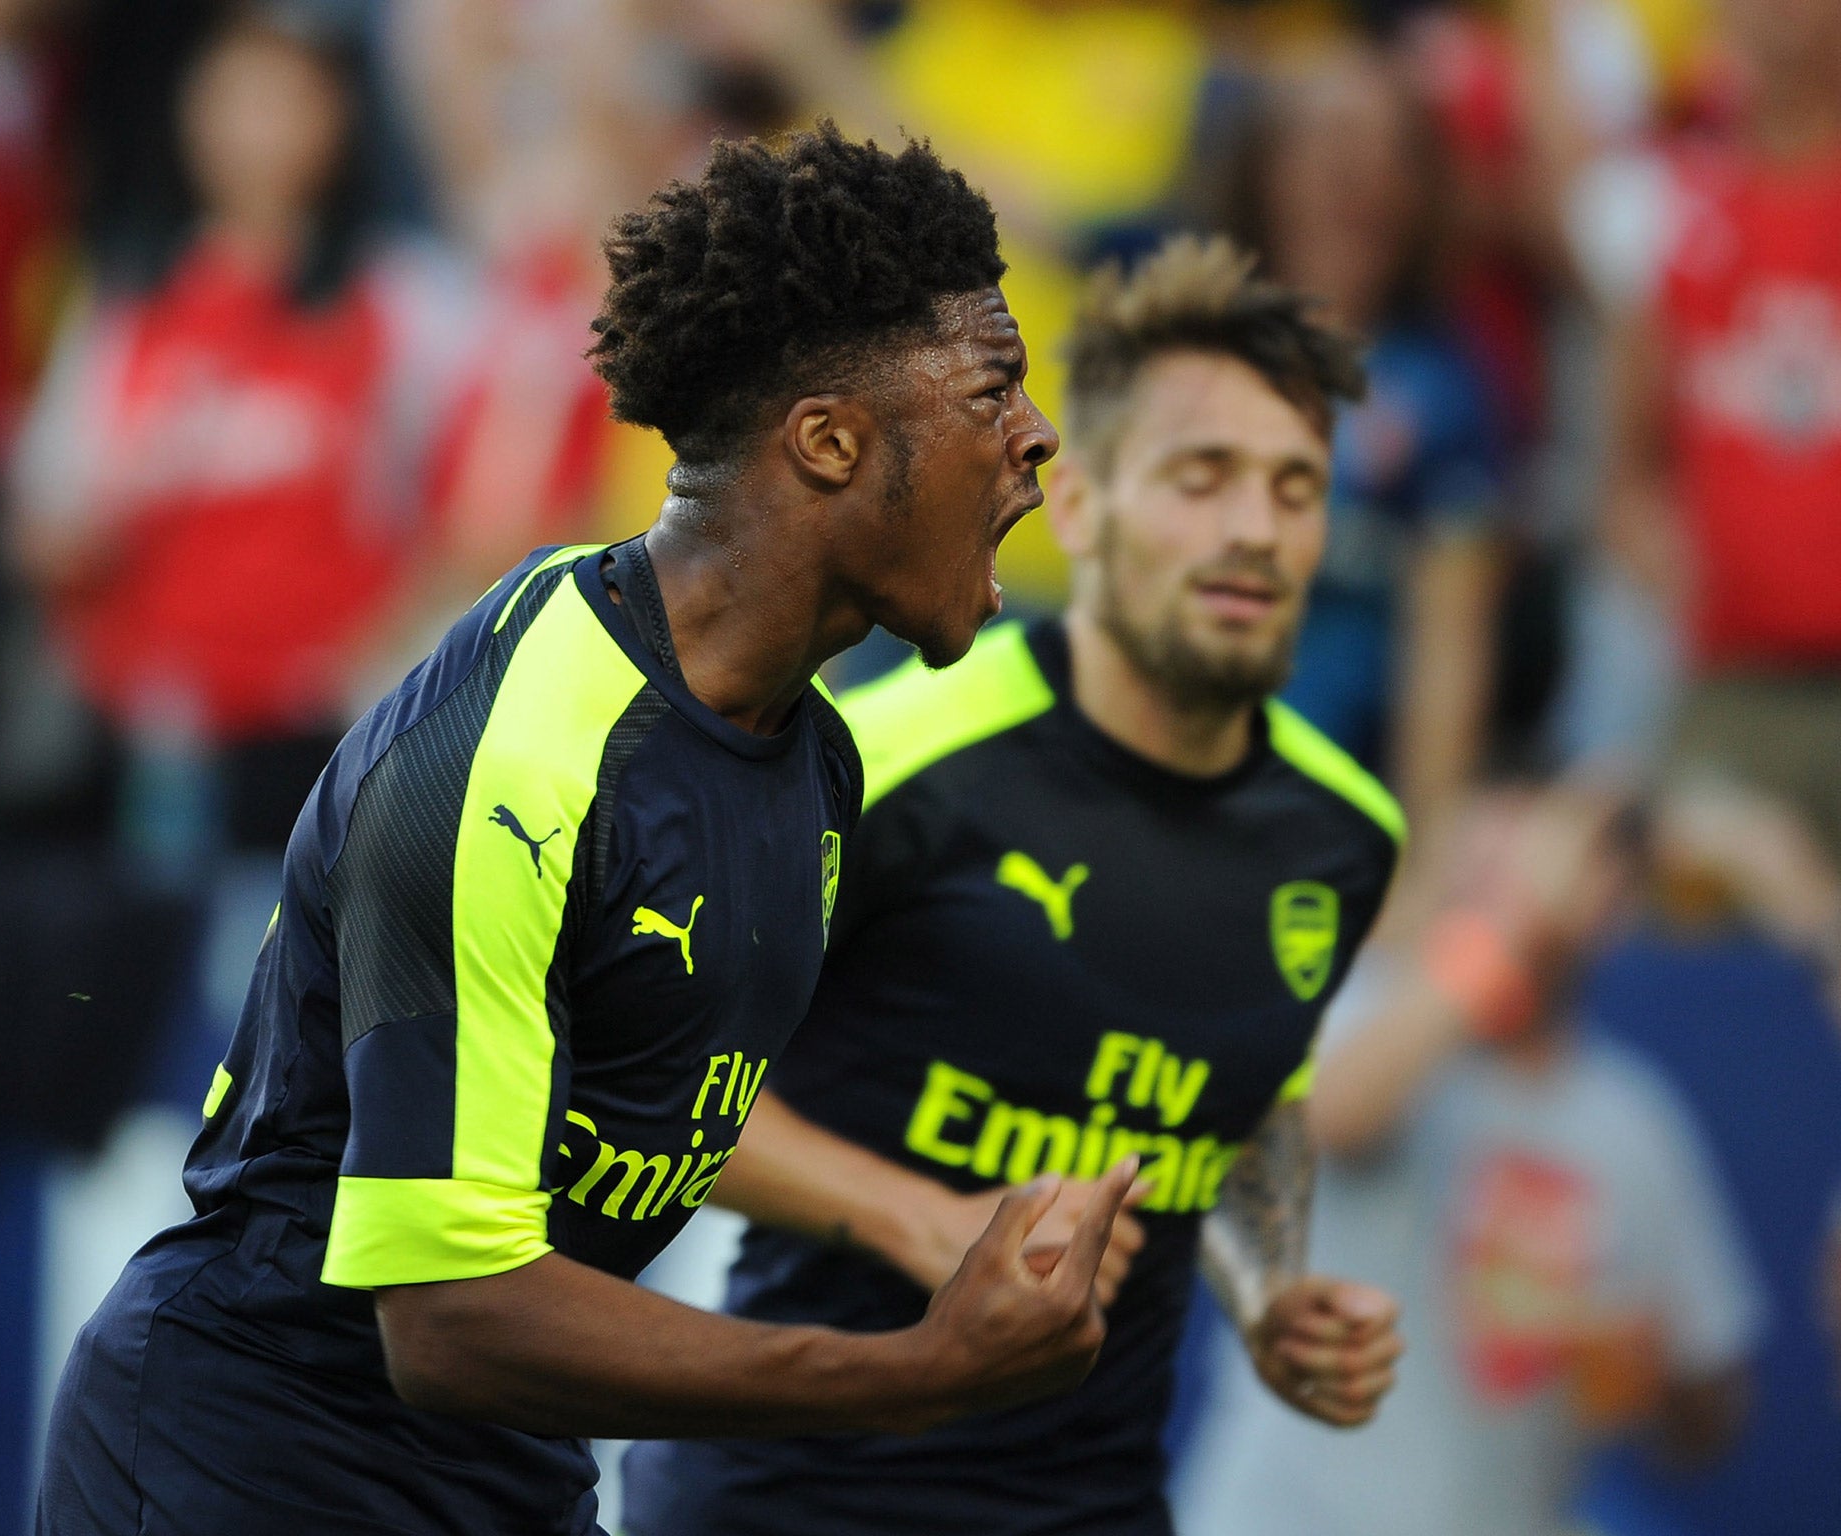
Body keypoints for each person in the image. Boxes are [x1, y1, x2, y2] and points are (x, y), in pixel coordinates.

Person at [34, 122, 1145, 1536]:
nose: (1038, 439)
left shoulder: (810, 758)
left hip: (512, 1474)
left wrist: (909, 1215)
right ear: (827, 441)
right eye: (995, 389)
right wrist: (912, 1376)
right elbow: (448, 1316)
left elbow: (615, 1090)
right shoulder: (514, 758)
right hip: (247, 1461)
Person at [622, 236, 1406, 1536]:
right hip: (788, 1495)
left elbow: (1251, 1097)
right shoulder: (891, 756)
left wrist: (1268, 1290)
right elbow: (640, 1071)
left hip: (1094, 1505)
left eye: (1294, 487)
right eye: (1201, 478)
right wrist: (918, 1218)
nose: (1253, 531)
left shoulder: (1346, 831)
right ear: (1081, 503)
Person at [1176, 786, 1765, 1536]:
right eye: (1484, 880)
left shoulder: (1635, 1124)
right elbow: (1337, 1115)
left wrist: (1661, 1383)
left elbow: (1713, 1410)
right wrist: (1518, 926)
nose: (1515, 903)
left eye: (1533, 877)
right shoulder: (1354, 1015)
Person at [6, 3, 472, 856]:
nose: (257, 131)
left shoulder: (403, 300)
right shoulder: (126, 309)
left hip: (334, 729)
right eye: (234, 97)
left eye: (286, 99)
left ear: (338, 117)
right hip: (159, 736)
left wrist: (383, 662)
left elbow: (478, 506)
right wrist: (95, 525)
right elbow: (41, 524)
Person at [1209, 41, 1510, 836]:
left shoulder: (1447, 394)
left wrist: (1421, 860)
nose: (1353, 177)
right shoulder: (1179, 362)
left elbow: (1451, 648)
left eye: (1385, 153)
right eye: (1324, 144)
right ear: (1263, 170)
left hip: (1341, 820)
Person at [1595, 0, 1841, 863]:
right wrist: (1673, 567)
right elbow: (1626, 472)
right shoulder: (1672, 210)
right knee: (1704, 927)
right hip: (1734, 683)